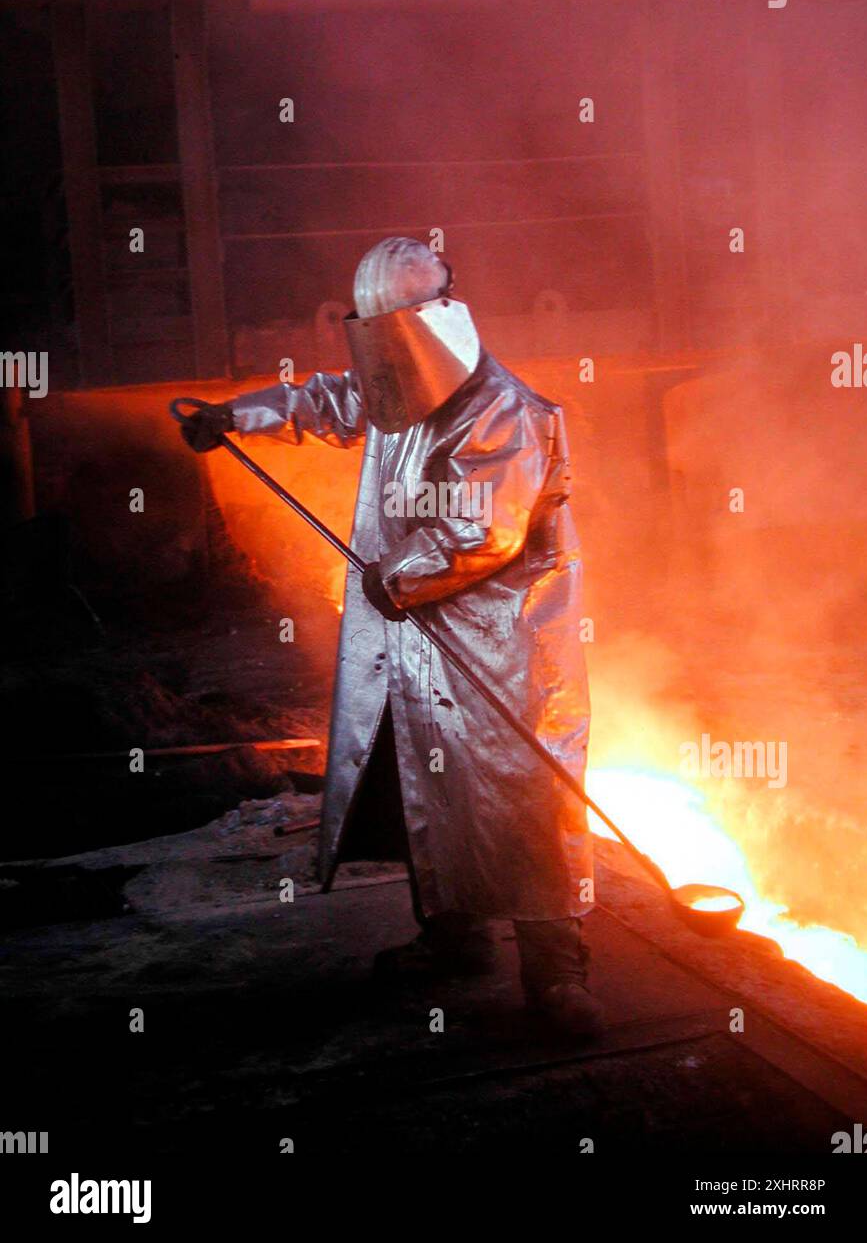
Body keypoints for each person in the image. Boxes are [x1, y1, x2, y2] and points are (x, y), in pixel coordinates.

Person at [181, 237, 602, 1036]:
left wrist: (400, 575)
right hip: (417, 636)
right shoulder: (399, 385)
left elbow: (485, 530)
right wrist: (235, 416)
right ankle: (454, 939)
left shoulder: (502, 409)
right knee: (430, 788)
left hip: (505, 649)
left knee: (524, 800)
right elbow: (331, 403)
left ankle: (558, 976)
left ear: (440, 314)